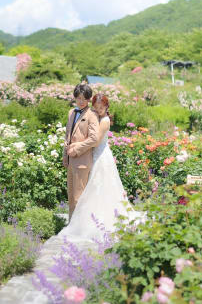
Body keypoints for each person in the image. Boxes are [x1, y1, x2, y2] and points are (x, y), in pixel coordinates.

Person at [59, 93, 146, 241]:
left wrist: (77, 145)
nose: (99, 110)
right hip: (90, 155)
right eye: (96, 107)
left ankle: (98, 219)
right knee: (89, 188)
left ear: (107, 107)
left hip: (100, 155)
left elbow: (96, 140)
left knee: (100, 186)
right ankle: (86, 217)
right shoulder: (93, 116)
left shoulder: (105, 121)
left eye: (102, 107)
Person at [63, 84, 99, 220]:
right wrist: (65, 154)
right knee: (71, 197)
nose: (81, 101)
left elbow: (94, 138)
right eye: (78, 98)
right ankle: (72, 226)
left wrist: (77, 148)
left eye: (84, 98)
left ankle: (81, 228)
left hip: (82, 160)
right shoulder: (71, 112)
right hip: (70, 160)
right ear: (75, 98)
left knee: (79, 197)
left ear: (89, 99)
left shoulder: (92, 115)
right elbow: (68, 134)